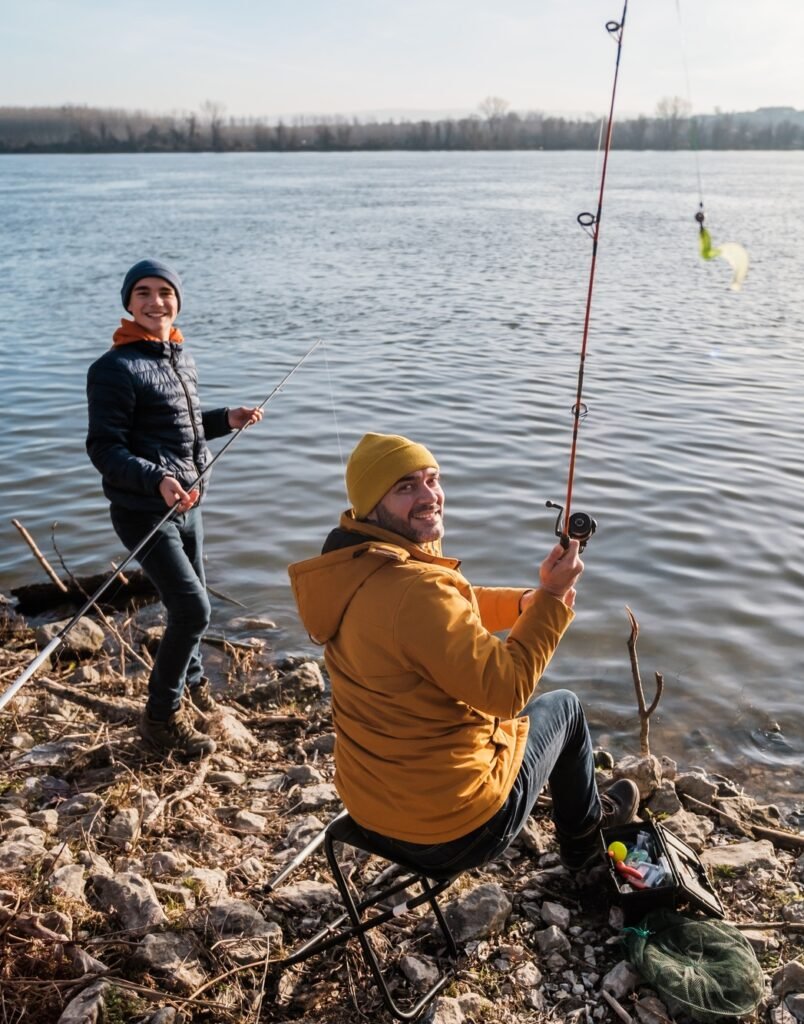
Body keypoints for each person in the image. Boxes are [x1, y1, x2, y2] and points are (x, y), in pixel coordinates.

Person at [288, 432, 639, 875]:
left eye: (432, 479)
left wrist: (524, 603)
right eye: (405, 487)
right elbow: (506, 691)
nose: (429, 496)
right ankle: (586, 848)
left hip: (370, 807)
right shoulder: (416, 590)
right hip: (452, 832)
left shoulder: (353, 567)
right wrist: (551, 598)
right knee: (564, 709)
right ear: (371, 504)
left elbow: (446, 609)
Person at [86, 258, 262, 758]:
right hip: (144, 510)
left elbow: (179, 427)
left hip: (188, 504)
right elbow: (105, 447)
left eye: (164, 292)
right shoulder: (112, 369)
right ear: (128, 303)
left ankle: (195, 683)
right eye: (142, 292)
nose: (155, 301)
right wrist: (157, 479)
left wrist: (226, 418)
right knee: (192, 608)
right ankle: (161, 718)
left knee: (194, 598)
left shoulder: (179, 356)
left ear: (177, 301)